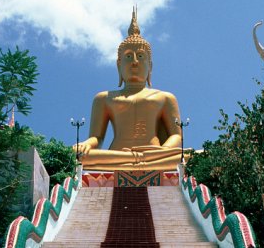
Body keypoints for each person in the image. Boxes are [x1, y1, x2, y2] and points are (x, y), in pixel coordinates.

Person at [73, 9, 184, 171]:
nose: (134, 62)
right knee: (82, 156)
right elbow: (97, 138)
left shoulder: (165, 98)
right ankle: (138, 161)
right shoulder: (104, 98)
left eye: (140, 56)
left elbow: (176, 135)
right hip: (117, 155)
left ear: (150, 67)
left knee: (191, 155)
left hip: (155, 155)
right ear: (119, 65)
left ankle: (141, 160)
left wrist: (164, 150)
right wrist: (85, 145)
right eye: (128, 57)